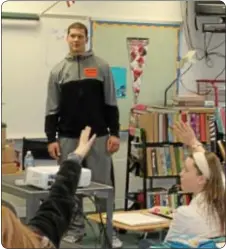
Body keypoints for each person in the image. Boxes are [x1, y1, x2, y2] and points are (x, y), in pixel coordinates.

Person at [44, 22, 122, 247]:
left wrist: (114, 133)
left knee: (103, 186)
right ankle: (75, 229)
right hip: (68, 137)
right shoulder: (57, 71)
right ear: (67, 39)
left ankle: (109, 231)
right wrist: (51, 138)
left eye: (80, 36)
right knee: (71, 186)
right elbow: (51, 108)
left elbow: (111, 103)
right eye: (72, 36)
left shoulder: (102, 67)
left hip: (98, 137)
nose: (76, 40)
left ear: (86, 39)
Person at [2, 126, 96, 249]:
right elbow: (55, 208)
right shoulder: (8, 220)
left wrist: (75, 158)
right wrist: (76, 157)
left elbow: (52, 211)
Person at [162, 121, 225, 241]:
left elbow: (168, 245)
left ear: (201, 179)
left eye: (186, 170)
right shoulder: (222, 195)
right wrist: (193, 142)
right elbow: (213, 169)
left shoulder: (185, 214)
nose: (181, 174)